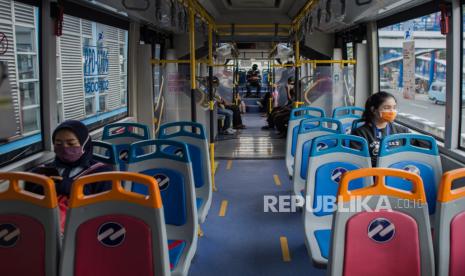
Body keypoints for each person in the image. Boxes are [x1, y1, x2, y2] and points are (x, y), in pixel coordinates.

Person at [25, 120, 113, 232]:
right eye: (58, 144)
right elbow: (28, 200)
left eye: (71, 144)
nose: (64, 148)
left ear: (84, 144)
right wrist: (48, 188)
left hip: (84, 230)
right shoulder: (42, 171)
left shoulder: (101, 172)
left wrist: (72, 188)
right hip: (42, 227)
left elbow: (105, 209)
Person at [351, 91, 410, 166]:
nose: (392, 111)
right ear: (373, 110)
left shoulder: (403, 131)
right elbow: (359, 162)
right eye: (387, 108)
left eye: (394, 107)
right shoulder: (360, 133)